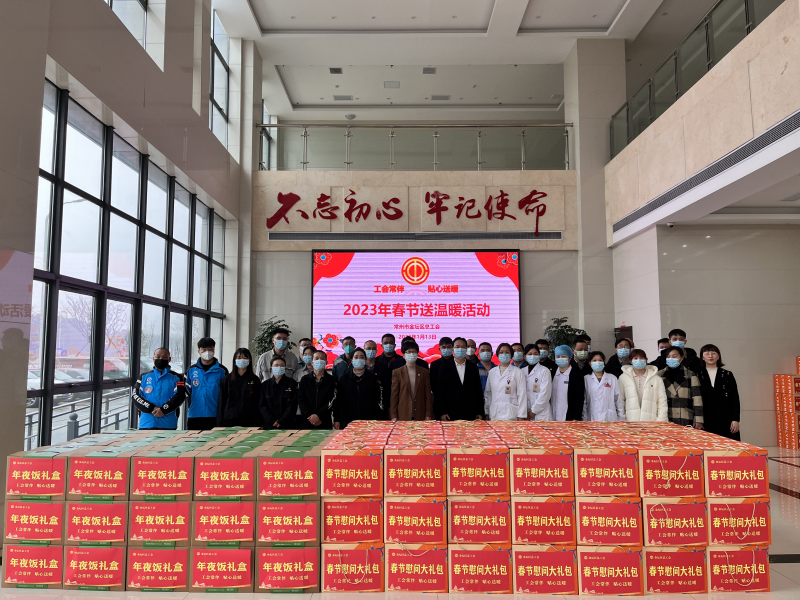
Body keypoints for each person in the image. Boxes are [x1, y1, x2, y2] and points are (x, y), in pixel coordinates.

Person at [132, 347, 186, 430]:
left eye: (164, 357)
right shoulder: (143, 377)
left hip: (168, 423)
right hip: (146, 423)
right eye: (158, 356)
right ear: (153, 359)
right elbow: (135, 395)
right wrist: (151, 408)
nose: (160, 359)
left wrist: (163, 410)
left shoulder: (177, 377)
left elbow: (180, 395)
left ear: (169, 359)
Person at [697, 344, 740, 440]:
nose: (710, 356)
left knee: (728, 444)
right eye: (707, 353)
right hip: (705, 417)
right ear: (702, 357)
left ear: (718, 356)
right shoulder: (697, 374)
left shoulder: (727, 374)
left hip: (725, 417)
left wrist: (735, 419)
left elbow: (735, 398)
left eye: (713, 353)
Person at [435, 337, 484, 421]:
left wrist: (479, 412)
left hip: (470, 412)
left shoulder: (473, 367)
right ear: (452, 349)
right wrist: (442, 412)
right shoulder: (445, 366)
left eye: (463, 347)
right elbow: (441, 391)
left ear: (466, 349)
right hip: (450, 412)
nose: (460, 349)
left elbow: (478, 391)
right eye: (457, 347)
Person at [186, 337, 229, 430]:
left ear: (214, 350)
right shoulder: (190, 371)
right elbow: (186, 392)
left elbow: (226, 394)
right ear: (199, 351)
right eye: (204, 349)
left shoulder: (222, 371)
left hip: (216, 415)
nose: (207, 352)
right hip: (195, 415)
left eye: (210, 349)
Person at [335, 348, 384, 429]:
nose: (359, 359)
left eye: (362, 357)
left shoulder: (373, 378)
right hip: (349, 420)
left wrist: (379, 419)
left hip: (369, 421)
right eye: (356, 357)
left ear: (365, 360)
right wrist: (337, 419)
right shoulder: (344, 379)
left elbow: (379, 401)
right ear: (352, 360)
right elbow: (339, 401)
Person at [657, 346, 704, 429]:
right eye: (668, 356)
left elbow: (697, 399)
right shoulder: (659, 375)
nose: (671, 358)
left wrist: (699, 419)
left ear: (681, 358)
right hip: (666, 416)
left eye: (674, 356)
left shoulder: (690, 374)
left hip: (685, 416)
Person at [618, 349, 668, 422]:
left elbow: (662, 402)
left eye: (641, 358)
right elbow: (620, 402)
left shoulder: (657, 379)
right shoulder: (623, 378)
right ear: (631, 361)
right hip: (630, 422)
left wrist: (660, 421)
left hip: (651, 422)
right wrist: (623, 421)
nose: (638, 360)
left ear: (646, 360)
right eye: (635, 358)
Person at [390, 340, 434, 421]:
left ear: (417, 354)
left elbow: (428, 395)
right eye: (408, 352)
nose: (411, 354)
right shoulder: (397, 372)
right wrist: (393, 415)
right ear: (403, 355)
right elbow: (394, 395)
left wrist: (428, 414)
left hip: (420, 413)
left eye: (413, 352)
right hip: (403, 413)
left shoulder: (424, 372)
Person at [216, 348, 261, 427]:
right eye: (239, 358)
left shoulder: (255, 380)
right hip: (229, 421)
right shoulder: (227, 379)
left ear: (249, 360)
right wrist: (219, 423)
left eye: (245, 358)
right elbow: (221, 401)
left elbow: (258, 402)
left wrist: (258, 424)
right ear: (234, 360)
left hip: (249, 421)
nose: (242, 360)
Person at [483, 343, 527, 421]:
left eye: (507, 352)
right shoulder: (492, 372)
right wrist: (487, 412)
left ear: (511, 355)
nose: (504, 354)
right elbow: (488, 394)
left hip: (511, 415)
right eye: (501, 352)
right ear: (497, 355)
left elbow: (522, 395)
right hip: (494, 414)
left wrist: (521, 415)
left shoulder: (518, 372)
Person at [298, 349, 336, 429]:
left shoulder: (332, 380)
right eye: (316, 358)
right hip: (307, 420)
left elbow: (332, 400)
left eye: (322, 358)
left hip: (324, 420)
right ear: (312, 362)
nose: (319, 360)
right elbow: (301, 399)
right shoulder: (304, 380)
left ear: (326, 362)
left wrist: (319, 415)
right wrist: (310, 415)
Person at [582, 351, 624, 422]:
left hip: (610, 418)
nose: (597, 362)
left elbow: (618, 400)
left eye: (600, 360)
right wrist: (585, 420)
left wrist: (621, 418)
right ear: (590, 363)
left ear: (603, 362)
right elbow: (584, 402)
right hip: (592, 418)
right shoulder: (586, 379)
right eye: (594, 360)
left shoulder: (612, 378)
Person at [259, 355, 298, 429]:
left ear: (285, 368)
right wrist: (272, 420)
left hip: (287, 424)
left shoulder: (292, 384)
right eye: (276, 365)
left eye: (282, 365)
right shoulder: (264, 385)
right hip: (269, 424)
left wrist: (281, 421)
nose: (279, 367)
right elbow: (262, 405)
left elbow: (293, 405)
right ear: (271, 368)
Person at [551, 345, 585, 421]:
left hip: (569, 416)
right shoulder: (552, 374)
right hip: (552, 414)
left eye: (563, 356)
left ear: (569, 358)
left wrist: (576, 417)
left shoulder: (576, 374)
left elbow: (579, 398)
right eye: (558, 357)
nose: (560, 358)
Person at [523, 344, 552, 421]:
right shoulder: (522, 371)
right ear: (525, 356)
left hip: (541, 413)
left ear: (539, 356)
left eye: (535, 354)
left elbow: (545, 394)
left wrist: (533, 411)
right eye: (530, 354)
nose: (533, 356)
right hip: (525, 413)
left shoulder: (545, 371)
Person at [364, 339, 391, 418]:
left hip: (379, 406)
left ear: (376, 350)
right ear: (364, 350)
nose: (371, 351)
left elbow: (387, 388)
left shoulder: (383, 367)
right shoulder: (359, 366)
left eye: (373, 349)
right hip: (363, 405)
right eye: (368, 348)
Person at [430, 336, 454, 410]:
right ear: (439, 349)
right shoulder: (434, 364)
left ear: (453, 348)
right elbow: (433, 385)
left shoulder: (458, 363)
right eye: (443, 347)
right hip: (439, 402)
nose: (446, 349)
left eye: (449, 347)